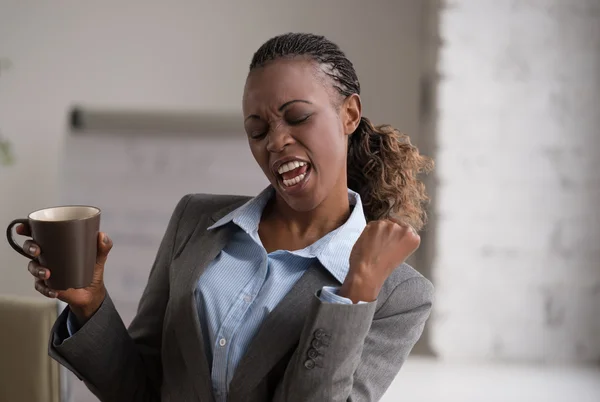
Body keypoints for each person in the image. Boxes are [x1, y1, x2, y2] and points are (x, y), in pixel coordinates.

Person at [19, 32, 434, 402]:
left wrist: (355, 292)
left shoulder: (400, 295)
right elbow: (139, 386)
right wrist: (91, 305)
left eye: (297, 117)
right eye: (257, 130)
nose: (276, 141)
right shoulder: (194, 221)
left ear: (349, 114)